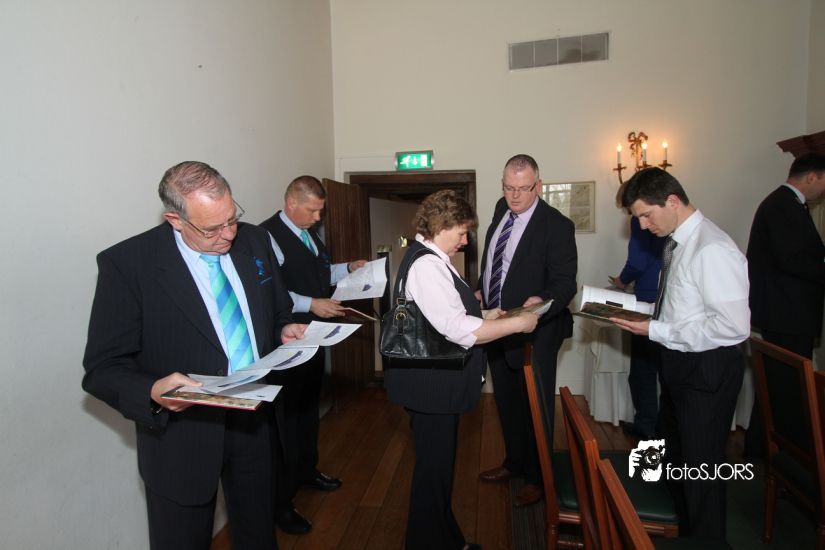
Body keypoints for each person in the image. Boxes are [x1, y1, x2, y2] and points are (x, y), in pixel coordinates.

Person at [82, 161, 304, 550]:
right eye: (212, 228)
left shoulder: (253, 240)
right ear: (175, 219)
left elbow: (276, 309)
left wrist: (283, 329)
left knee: (258, 534)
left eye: (232, 218)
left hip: (255, 420)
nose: (228, 234)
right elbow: (103, 368)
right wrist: (151, 391)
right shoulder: (128, 264)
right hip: (181, 436)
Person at [384, 189, 539, 550]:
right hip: (431, 389)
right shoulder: (426, 266)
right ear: (442, 226)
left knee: (437, 475)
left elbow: (444, 316)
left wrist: (488, 315)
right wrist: (518, 324)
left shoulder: (431, 260)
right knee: (432, 477)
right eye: (462, 232)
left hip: (433, 387)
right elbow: (457, 330)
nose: (466, 241)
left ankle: (448, 541)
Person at [611, 167, 750, 540]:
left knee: (702, 472)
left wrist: (655, 329)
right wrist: (639, 315)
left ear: (672, 201)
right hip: (680, 362)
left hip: (706, 369)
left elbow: (732, 327)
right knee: (679, 461)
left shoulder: (712, 248)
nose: (643, 226)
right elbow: (682, 309)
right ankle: (685, 534)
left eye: (645, 215)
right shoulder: (677, 243)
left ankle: (707, 541)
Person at [259, 175, 367, 534]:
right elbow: (270, 291)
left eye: (320, 211)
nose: (318, 218)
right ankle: (282, 500)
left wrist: (347, 268)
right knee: (287, 421)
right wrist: (311, 304)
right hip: (287, 339)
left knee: (307, 409)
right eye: (312, 211)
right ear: (291, 203)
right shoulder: (267, 236)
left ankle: (307, 471)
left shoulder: (308, 234)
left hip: (314, 337)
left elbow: (317, 271)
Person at [476, 154, 578, 507]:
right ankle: (515, 462)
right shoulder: (499, 209)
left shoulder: (557, 226)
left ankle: (539, 476)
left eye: (522, 188)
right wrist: (481, 290)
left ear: (538, 185)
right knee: (506, 401)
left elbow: (566, 283)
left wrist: (543, 300)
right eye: (508, 188)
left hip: (536, 329)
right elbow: (495, 262)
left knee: (536, 407)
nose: (515, 196)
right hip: (497, 324)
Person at [744, 152, 825, 456]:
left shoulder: (785, 204)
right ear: (812, 176)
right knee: (785, 388)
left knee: (777, 386)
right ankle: (780, 453)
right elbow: (791, 259)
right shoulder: (782, 205)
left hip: (786, 312)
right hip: (787, 313)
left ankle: (763, 448)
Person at [611, 207, 665, 439]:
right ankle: (663, 427)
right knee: (665, 368)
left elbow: (638, 261)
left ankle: (646, 424)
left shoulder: (640, 219)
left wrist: (622, 280)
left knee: (643, 369)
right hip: (667, 297)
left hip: (647, 298)